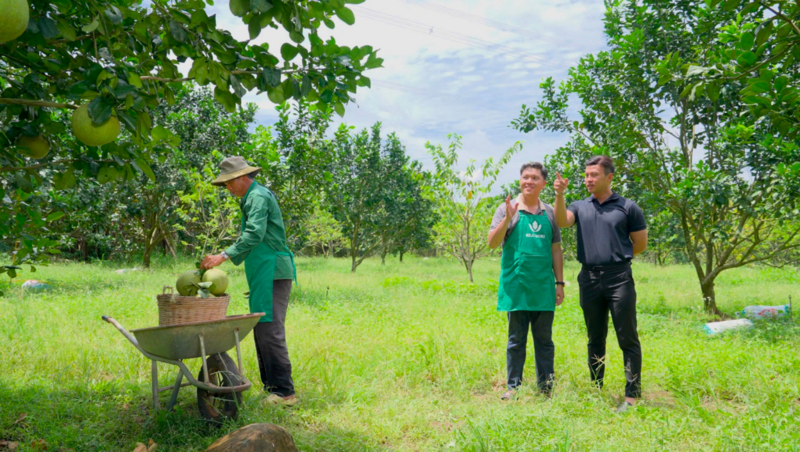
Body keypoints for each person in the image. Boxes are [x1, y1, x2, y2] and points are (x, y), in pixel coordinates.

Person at [553, 155, 647, 413]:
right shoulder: (580, 206)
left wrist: (615, 259)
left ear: (609, 177)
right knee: (595, 337)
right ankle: (597, 387)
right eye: (586, 176)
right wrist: (559, 195)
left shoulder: (628, 207)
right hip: (589, 278)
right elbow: (562, 221)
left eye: (593, 175)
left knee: (627, 337)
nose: (588, 180)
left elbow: (640, 244)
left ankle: (632, 395)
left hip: (619, 279)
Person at [201, 156, 298, 406]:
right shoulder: (250, 197)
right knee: (262, 328)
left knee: (270, 330)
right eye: (224, 184)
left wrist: (223, 256)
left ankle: (285, 393)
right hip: (262, 271)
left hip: (272, 270)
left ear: (243, 177)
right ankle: (273, 389)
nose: (228, 188)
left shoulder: (258, 196)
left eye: (230, 182)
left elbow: (255, 233)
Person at [488, 162, 565, 400]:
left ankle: (546, 389)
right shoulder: (506, 209)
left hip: (542, 286)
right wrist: (507, 219)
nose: (528, 181)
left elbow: (555, 250)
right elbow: (492, 242)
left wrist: (559, 283)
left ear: (543, 183)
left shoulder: (550, 212)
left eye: (534, 178)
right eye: (524, 177)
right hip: (517, 285)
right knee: (516, 341)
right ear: (520, 180)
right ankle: (513, 388)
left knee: (545, 341)